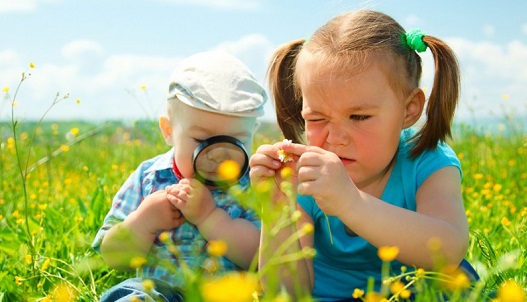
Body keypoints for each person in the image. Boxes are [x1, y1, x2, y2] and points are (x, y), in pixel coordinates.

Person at [249, 9, 478, 301]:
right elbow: (286, 294)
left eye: (358, 117)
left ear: (409, 109)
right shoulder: (303, 175)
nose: (335, 139)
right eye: (317, 119)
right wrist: (277, 210)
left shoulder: (428, 161)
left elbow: (448, 251)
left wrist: (351, 203)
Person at [93, 50, 267, 301]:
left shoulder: (254, 184)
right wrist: (142, 222)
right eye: (201, 140)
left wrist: (211, 218)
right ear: (168, 130)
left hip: (227, 294)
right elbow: (113, 256)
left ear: (253, 133)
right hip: (159, 293)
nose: (218, 155)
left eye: (236, 140)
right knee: (134, 293)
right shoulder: (149, 176)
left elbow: (262, 257)